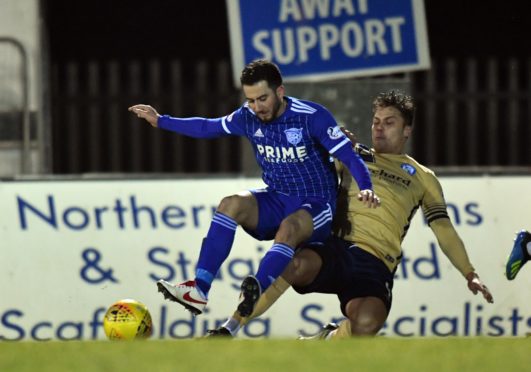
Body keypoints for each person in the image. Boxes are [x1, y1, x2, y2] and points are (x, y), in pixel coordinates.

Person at [207, 89, 494, 339]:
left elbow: (442, 228)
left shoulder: (423, 176)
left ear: (407, 130)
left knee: (368, 322)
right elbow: (313, 179)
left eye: (389, 123)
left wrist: (469, 273)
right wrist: (325, 148)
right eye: (376, 122)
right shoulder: (353, 155)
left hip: (377, 262)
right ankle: (230, 327)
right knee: (293, 265)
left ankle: (329, 339)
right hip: (335, 249)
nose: (379, 128)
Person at [129, 59, 380, 317]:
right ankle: (199, 289)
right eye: (250, 100)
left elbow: (349, 156)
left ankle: (256, 290)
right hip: (277, 199)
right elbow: (207, 126)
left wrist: (366, 186)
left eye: (262, 98)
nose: (256, 107)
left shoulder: (312, 117)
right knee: (230, 204)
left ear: (279, 92)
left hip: (316, 205)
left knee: (289, 228)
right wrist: (161, 121)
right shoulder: (247, 117)